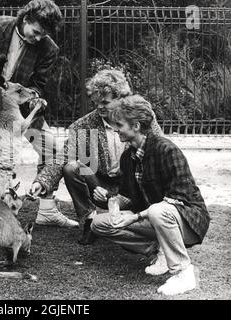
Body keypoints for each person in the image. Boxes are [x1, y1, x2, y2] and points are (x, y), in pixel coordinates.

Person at [0, 0, 77, 227]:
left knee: (51, 147)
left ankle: (47, 210)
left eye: (42, 35)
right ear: (26, 19)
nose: (37, 38)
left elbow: (38, 84)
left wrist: (33, 97)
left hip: (20, 102)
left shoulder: (48, 48)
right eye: (35, 32)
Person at [90, 95, 210, 295]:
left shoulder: (166, 150)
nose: (116, 128)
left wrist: (135, 217)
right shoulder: (128, 157)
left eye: (119, 124)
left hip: (187, 221)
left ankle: (183, 273)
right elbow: (129, 195)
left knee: (157, 211)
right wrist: (112, 200)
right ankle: (159, 249)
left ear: (136, 126)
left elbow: (176, 199)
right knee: (99, 223)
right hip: (155, 218)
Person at [30, 69, 163, 242]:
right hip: (99, 184)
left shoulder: (140, 116)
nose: (100, 106)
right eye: (96, 102)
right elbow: (64, 155)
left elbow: (159, 146)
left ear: (120, 98)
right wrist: (43, 181)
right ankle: (89, 220)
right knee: (72, 168)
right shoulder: (85, 124)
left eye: (105, 102)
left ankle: (145, 217)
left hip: (132, 183)